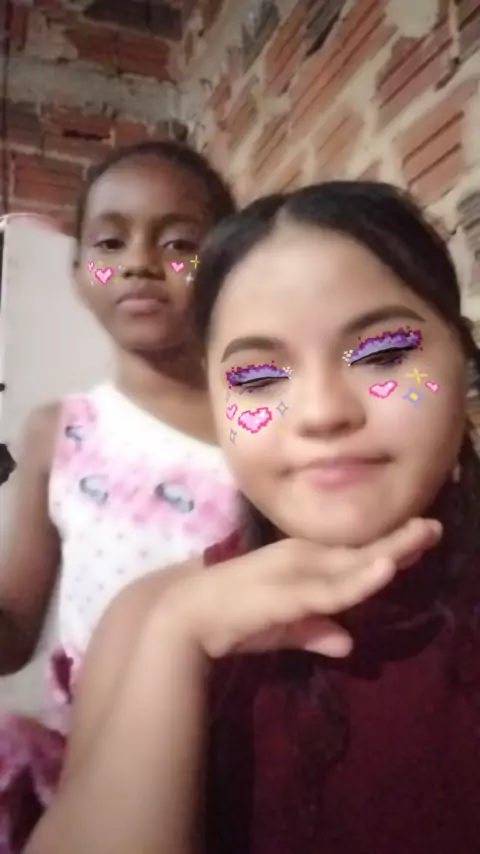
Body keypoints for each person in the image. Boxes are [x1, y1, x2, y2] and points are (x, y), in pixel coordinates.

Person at [26, 182, 480, 854]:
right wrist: (175, 639)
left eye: (384, 354)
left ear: (462, 358)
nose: (323, 412)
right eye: (257, 378)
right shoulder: (147, 617)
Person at [0, 140, 241, 851]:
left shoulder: (262, 423)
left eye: (179, 243)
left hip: (243, 758)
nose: (138, 263)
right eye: (109, 243)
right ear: (80, 272)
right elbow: (13, 633)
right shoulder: (59, 432)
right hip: (98, 779)